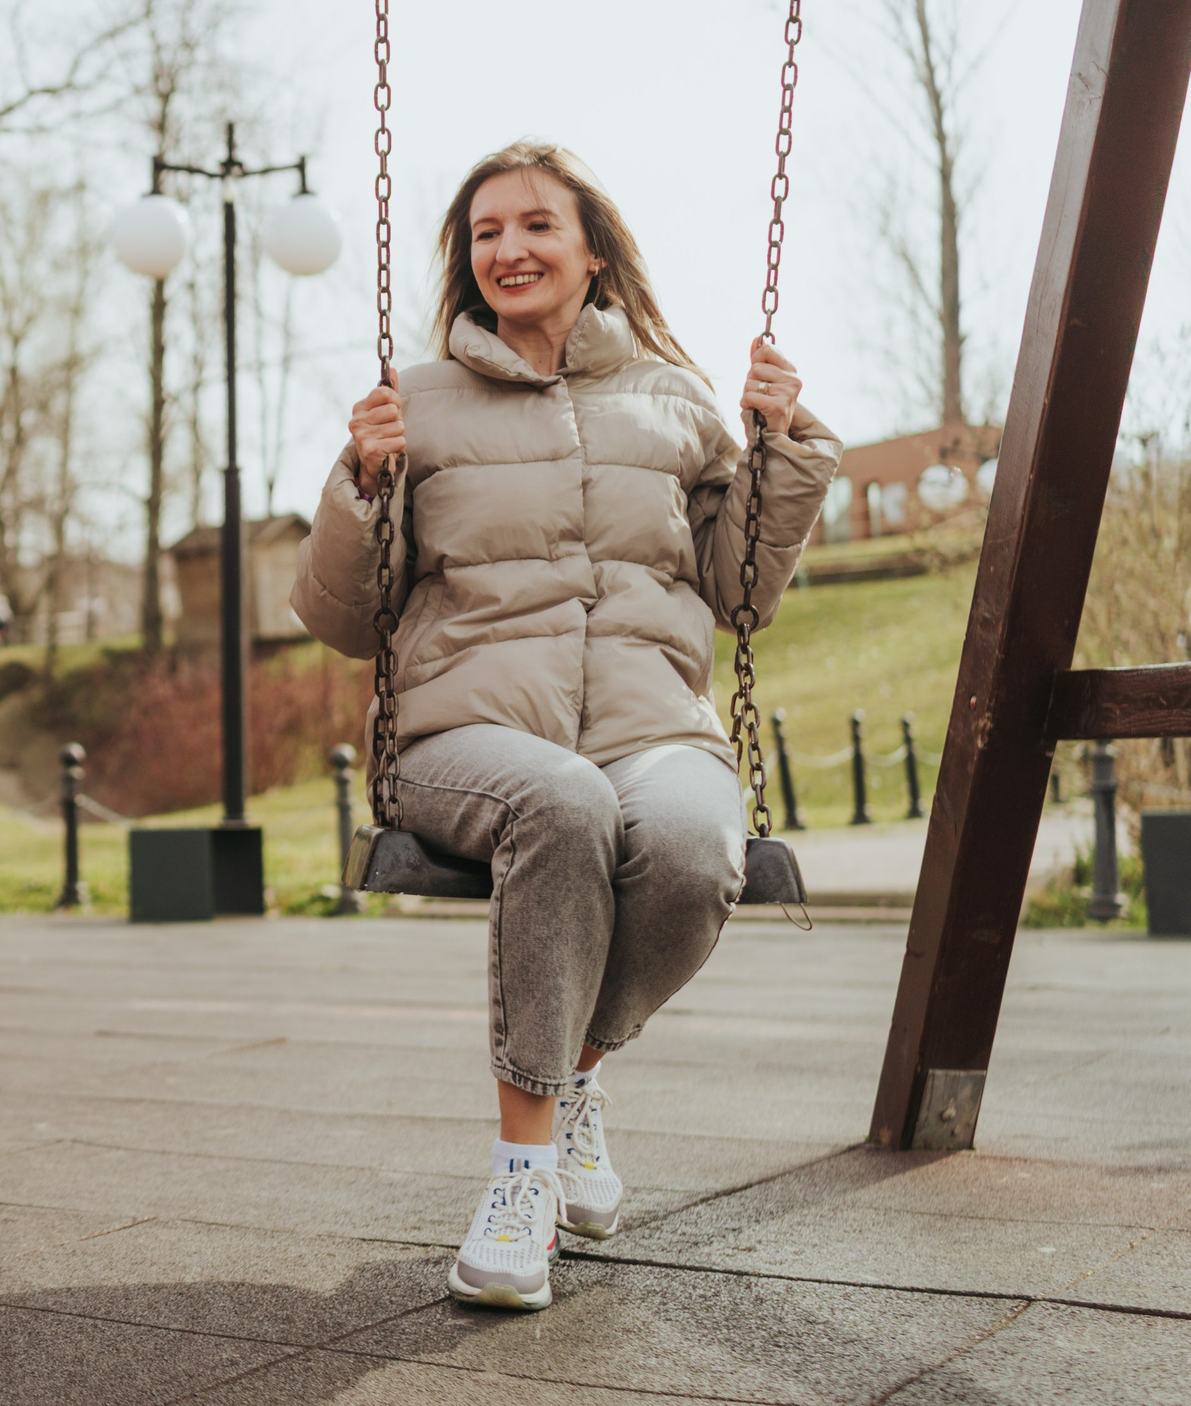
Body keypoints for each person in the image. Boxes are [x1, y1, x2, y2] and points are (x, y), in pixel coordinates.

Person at [291, 142, 840, 1313]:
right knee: (563, 802)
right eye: (486, 233)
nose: (509, 250)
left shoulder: (675, 399)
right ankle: (520, 1172)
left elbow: (740, 595)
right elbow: (343, 618)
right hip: (467, 732)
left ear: (593, 250)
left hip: (651, 724)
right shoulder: (416, 401)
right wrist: (364, 485)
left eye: (536, 225)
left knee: (696, 850)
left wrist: (781, 452)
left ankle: (576, 1073)